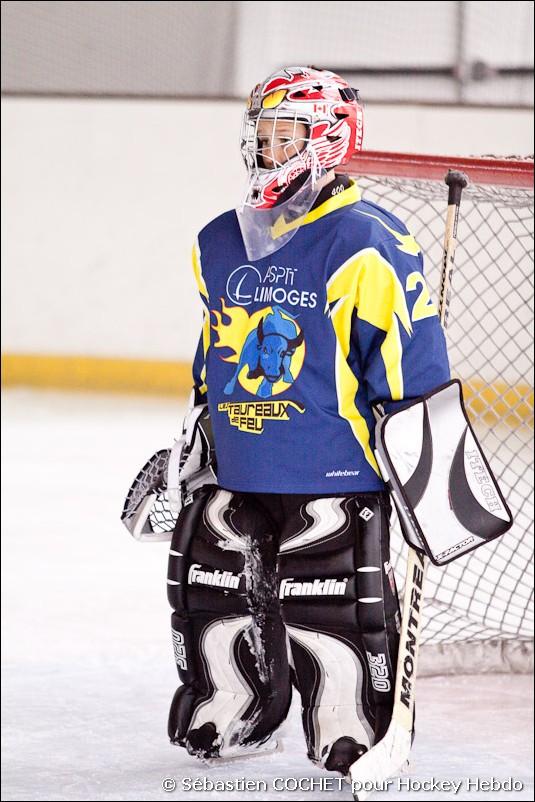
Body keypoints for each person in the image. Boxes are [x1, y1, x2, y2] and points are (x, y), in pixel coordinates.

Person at [165, 66, 450, 776]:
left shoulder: (367, 241)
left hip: (335, 466)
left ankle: (346, 724)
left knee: (330, 606)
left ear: (325, 141)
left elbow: (408, 363)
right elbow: (214, 352)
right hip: (239, 464)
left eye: (283, 135)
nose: (268, 150)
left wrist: (429, 469)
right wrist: (197, 435)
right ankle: (239, 702)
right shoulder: (218, 241)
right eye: (260, 136)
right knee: (212, 592)